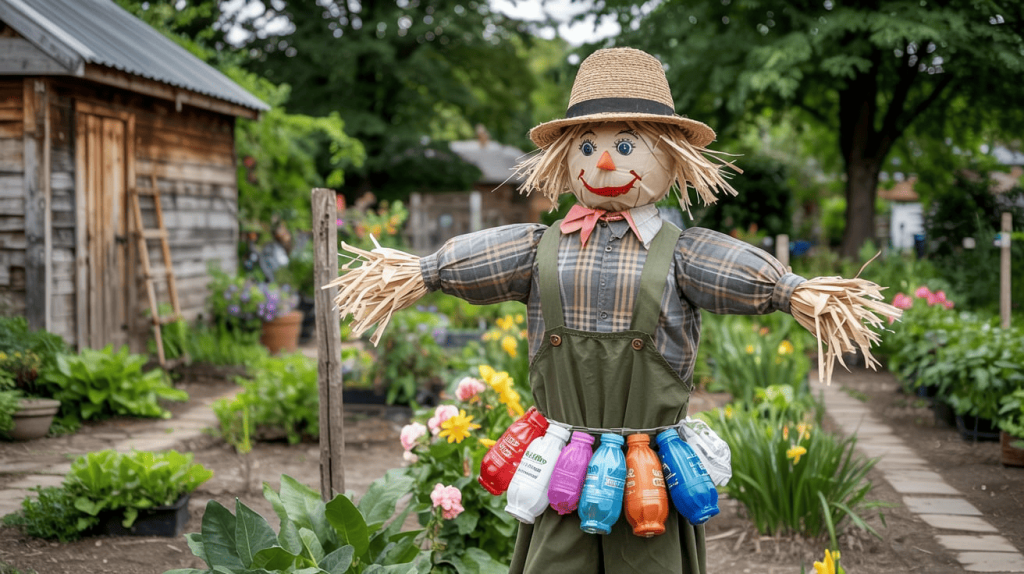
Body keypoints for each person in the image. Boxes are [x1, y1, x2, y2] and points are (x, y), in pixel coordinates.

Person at [331, 47, 897, 574]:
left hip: (653, 475)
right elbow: (463, 263)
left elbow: (747, 275)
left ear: (671, 158)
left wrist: (794, 290)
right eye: (587, 146)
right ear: (564, 155)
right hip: (560, 467)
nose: (602, 159)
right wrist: (419, 272)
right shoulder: (536, 248)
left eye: (625, 146)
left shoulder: (684, 254)